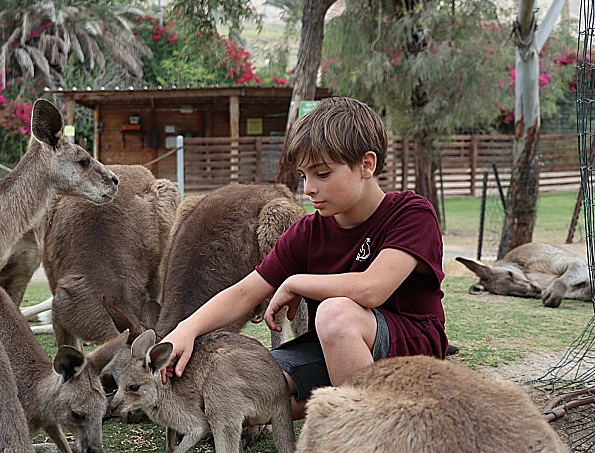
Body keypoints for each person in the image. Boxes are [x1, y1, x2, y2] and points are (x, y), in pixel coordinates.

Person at [160, 96, 447, 420]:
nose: (309, 188)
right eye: (304, 176)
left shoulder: (410, 213)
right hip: (330, 350)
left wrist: (296, 281)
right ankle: (350, 407)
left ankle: (369, 435)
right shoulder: (309, 232)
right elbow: (245, 293)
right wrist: (187, 328)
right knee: (239, 389)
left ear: (367, 165)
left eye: (322, 174)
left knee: (335, 314)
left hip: (407, 352)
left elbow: (372, 289)